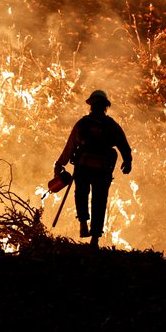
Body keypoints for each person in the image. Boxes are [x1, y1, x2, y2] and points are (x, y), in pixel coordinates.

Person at [54, 90, 132, 248]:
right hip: (103, 170)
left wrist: (60, 163)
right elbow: (123, 145)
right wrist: (127, 161)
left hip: (83, 167)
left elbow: (70, 146)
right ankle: (95, 238)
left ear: (92, 106)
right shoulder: (111, 125)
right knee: (99, 201)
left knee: (81, 194)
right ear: (105, 107)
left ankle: (83, 223)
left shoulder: (82, 124)